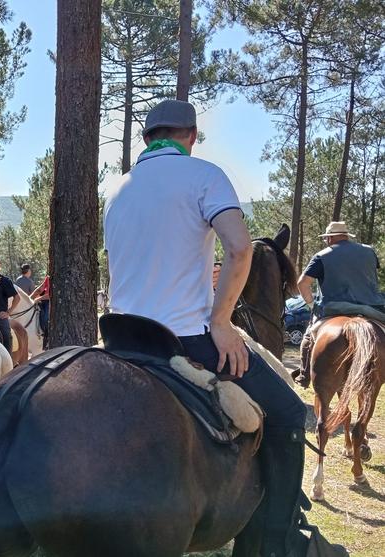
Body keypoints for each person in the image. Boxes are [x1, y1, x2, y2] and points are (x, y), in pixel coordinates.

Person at [104, 100, 312, 557]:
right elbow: (241, 249)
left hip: (120, 337)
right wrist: (220, 322)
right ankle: (277, 543)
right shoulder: (203, 175)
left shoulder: (117, 188)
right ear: (192, 137)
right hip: (185, 337)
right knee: (291, 417)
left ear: (146, 139)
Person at [294, 221, 385, 388]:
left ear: (330, 238)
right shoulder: (369, 252)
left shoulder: (322, 255)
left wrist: (312, 305)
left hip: (334, 308)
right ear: (346, 236)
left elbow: (302, 283)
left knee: (308, 339)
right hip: (373, 308)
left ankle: (304, 375)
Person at [32, 274, 50, 349]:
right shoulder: (48, 277)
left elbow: (51, 295)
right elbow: (41, 288)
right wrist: (30, 297)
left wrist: (39, 299)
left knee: (46, 319)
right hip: (44, 299)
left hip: (50, 301)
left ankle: (47, 338)